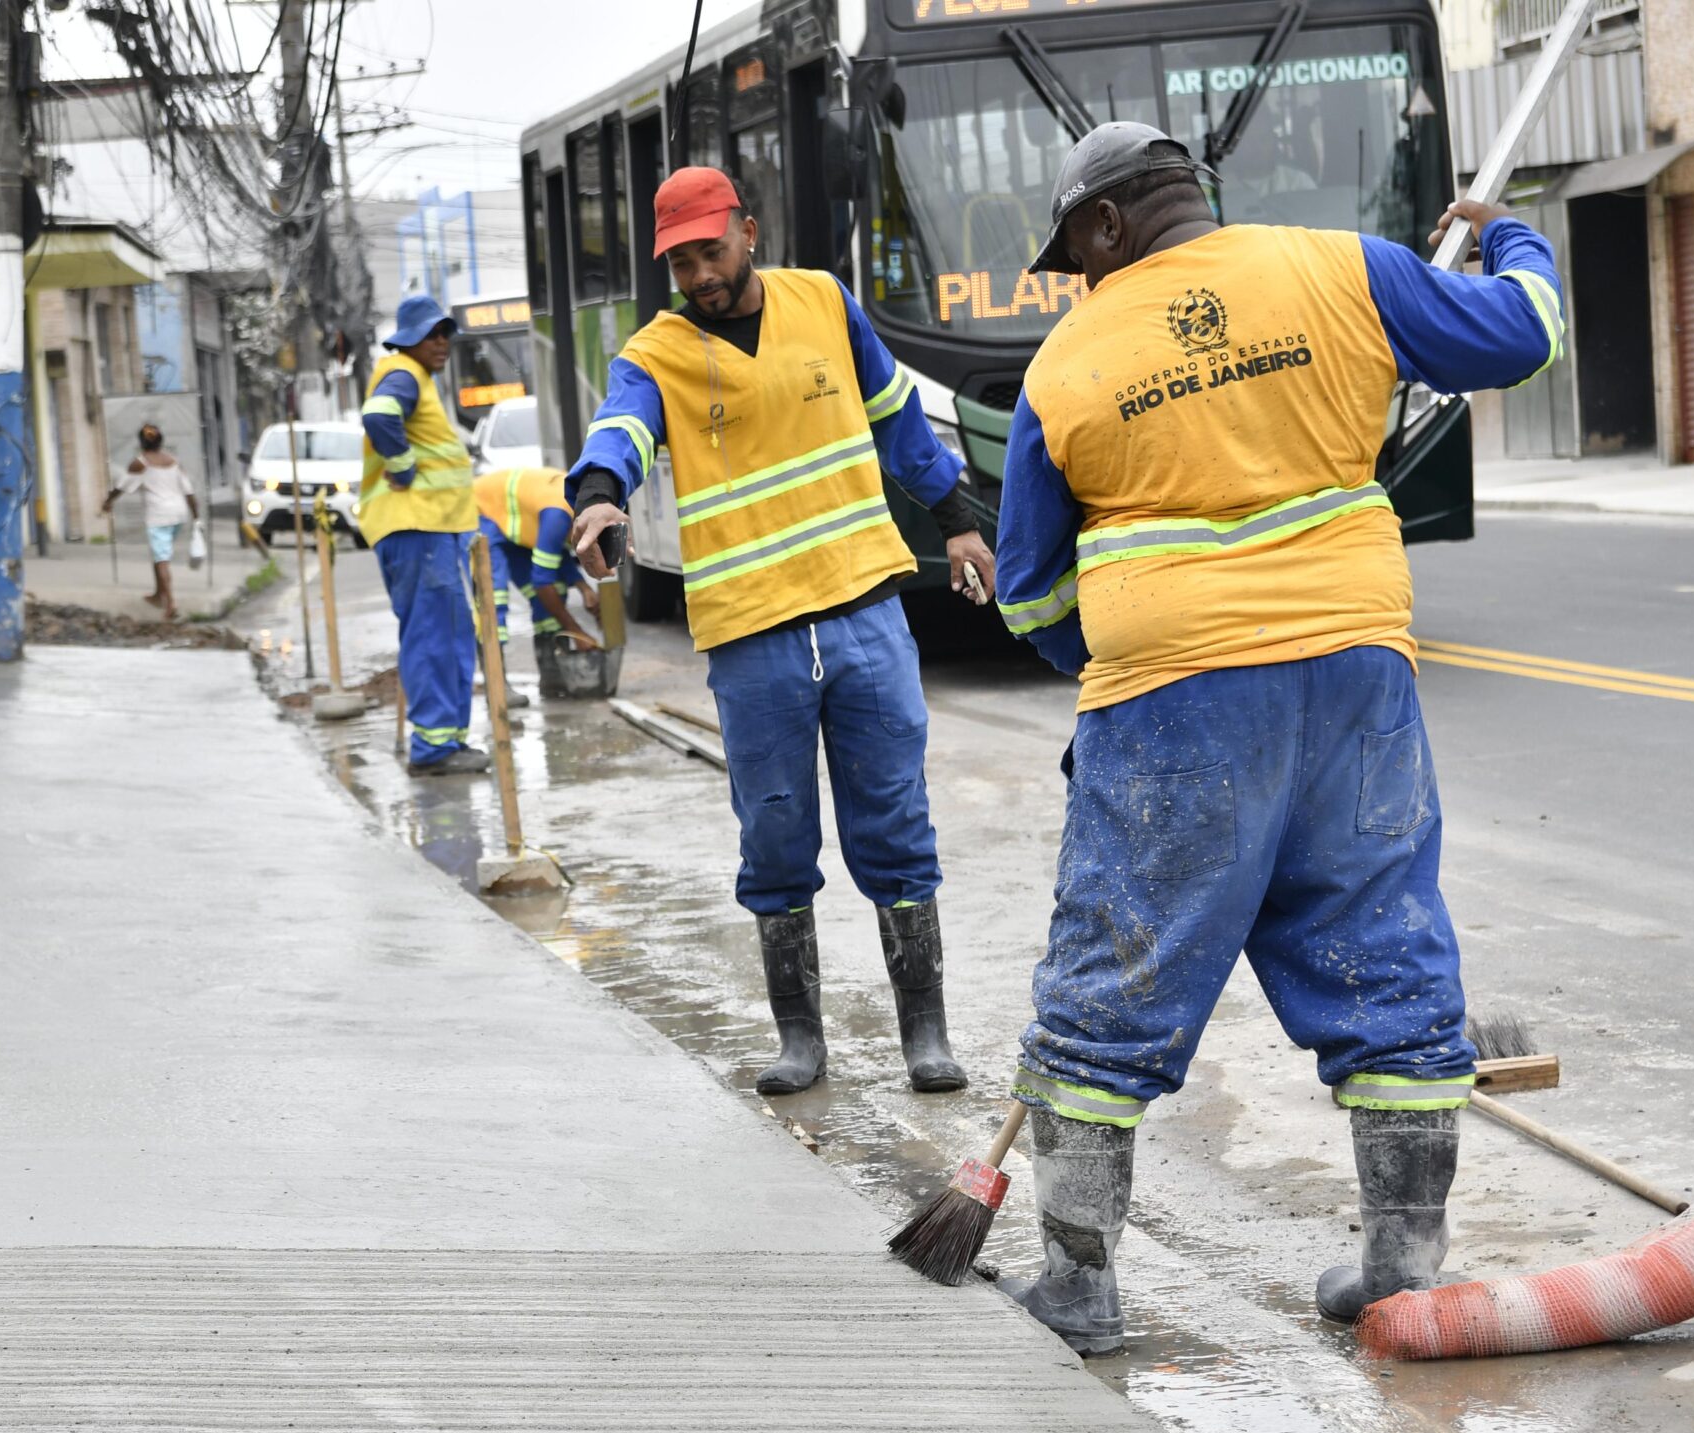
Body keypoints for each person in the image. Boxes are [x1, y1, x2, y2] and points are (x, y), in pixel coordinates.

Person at [989, 121, 1563, 1354]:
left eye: (1075, 253)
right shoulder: (1343, 267)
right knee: (1381, 947)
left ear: (1105, 224)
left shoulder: (1066, 360)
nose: (1078, 278)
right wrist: (1509, 234)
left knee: (1114, 976)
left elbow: (1030, 593)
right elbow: (1524, 332)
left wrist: (1109, 676)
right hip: (1356, 680)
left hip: (1170, 702)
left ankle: (1080, 1284)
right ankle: (1400, 1267)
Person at [566, 167, 996, 1097]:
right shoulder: (656, 353)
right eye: (680, 263)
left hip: (863, 611)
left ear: (748, 232)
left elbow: (898, 420)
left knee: (896, 820)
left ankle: (925, 1032)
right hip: (752, 635)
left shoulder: (826, 304)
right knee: (773, 834)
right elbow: (621, 430)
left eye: (710, 252)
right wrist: (600, 495)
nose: (699, 275)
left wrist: (957, 518)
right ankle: (800, 1039)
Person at [360, 294, 487, 777]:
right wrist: (403, 467)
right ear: (408, 339)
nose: (442, 342)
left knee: (448, 633)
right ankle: (434, 747)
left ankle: (445, 739)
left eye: (445, 333)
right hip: (418, 528)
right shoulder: (404, 372)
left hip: (429, 530)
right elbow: (379, 414)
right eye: (431, 334)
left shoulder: (417, 378)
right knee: (436, 635)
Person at [474, 466, 601, 685]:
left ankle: (552, 678)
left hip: (514, 528)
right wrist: (576, 631)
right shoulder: (558, 516)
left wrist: (584, 587)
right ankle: (497, 688)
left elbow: (555, 550)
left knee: (555, 591)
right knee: (494, 597)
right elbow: (542, 582)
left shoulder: (576, 511)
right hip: (482, 512)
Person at [100, 424, 199, 621]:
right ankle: (158, 595)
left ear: (141, 442)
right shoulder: (174, 461)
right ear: (161, 441)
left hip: (158, 515)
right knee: (159, 554)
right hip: (178, 514)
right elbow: (189, 491)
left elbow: (121, 486)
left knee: (162, 559)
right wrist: (196, 516)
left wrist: (108, 502)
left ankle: (170, 604)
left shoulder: (140, 463)